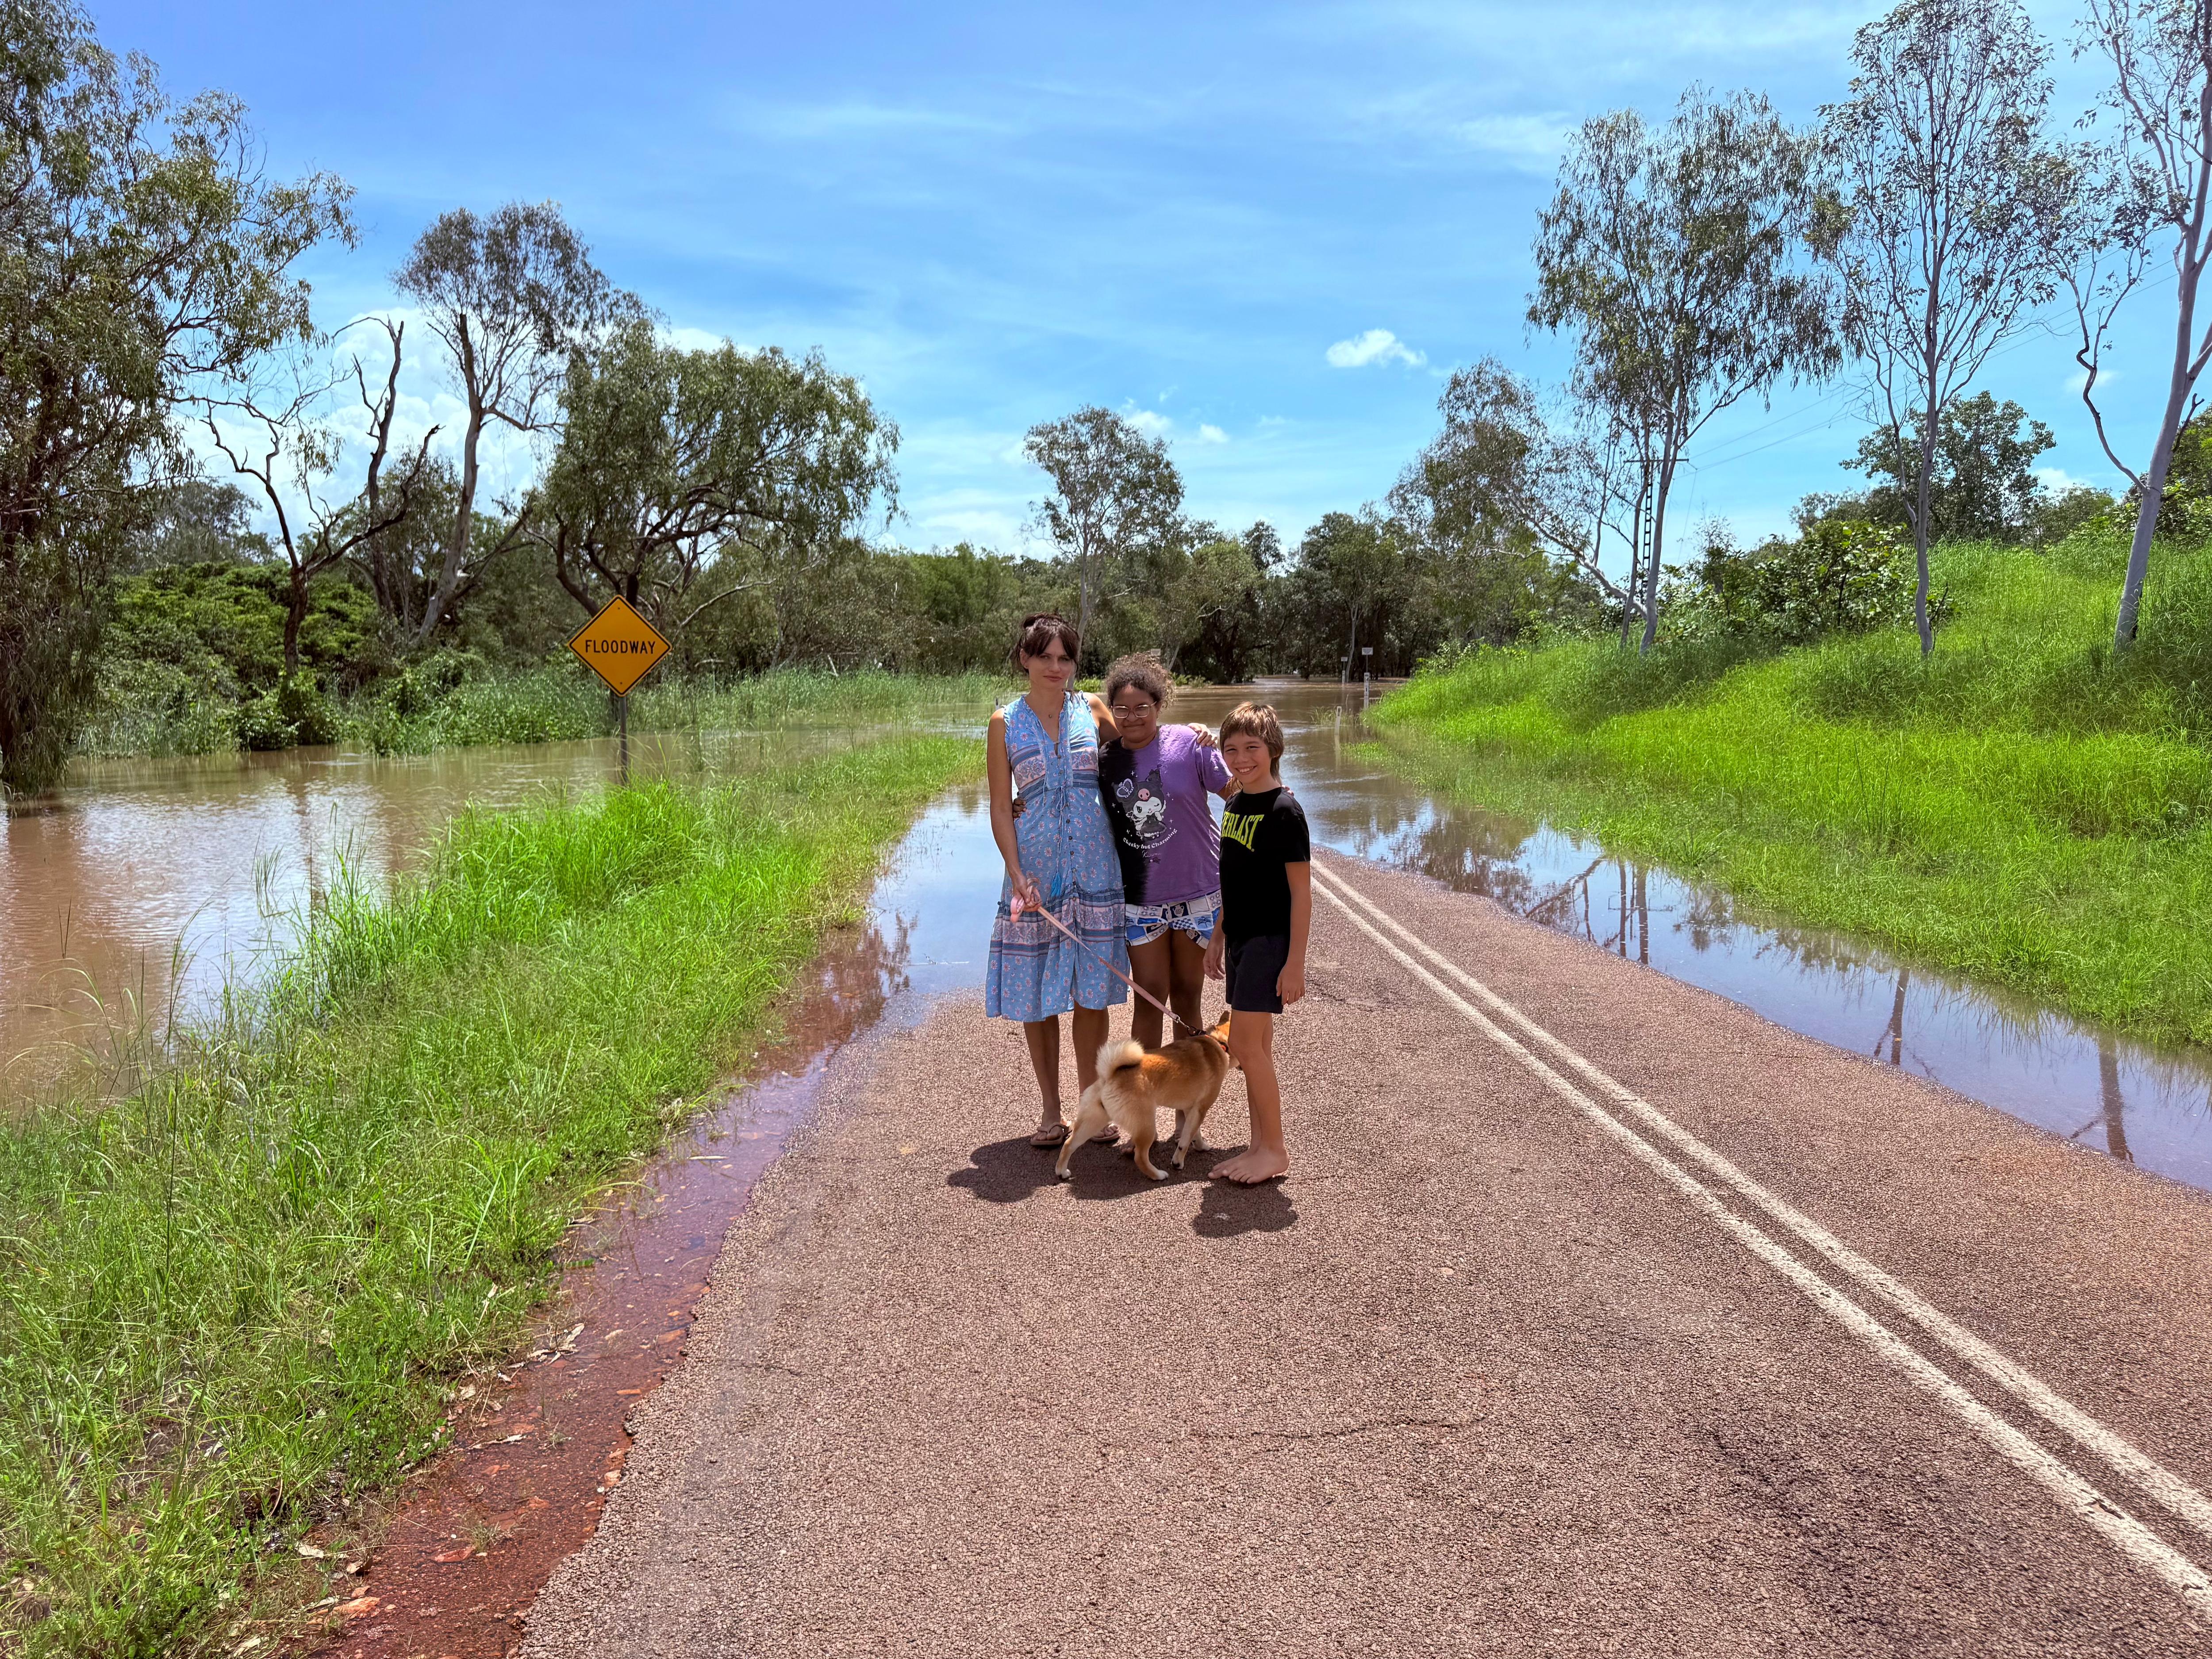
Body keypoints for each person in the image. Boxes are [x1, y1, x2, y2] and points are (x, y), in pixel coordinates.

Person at [985, 614, 1129, 1148]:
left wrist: (1197, 741)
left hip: (1095, 872)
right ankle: (1051, 1112)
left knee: (1093, 996)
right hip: (1035, 880)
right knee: (1038, 998)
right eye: (1043, 656)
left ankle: (1093, 1105)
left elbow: (1139, 753)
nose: (1055, 667)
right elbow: (1002, 807)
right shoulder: (1004, 722)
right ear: (1024, 659)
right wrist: (1017, 873)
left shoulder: (1090, 709)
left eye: (1064, 657)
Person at [1096, 653, 1234, 1052]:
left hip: (1199, 892)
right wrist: (1020, 805)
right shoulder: (1105, 762)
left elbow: (1237, 795)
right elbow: (1074, 804)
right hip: (1141, 902)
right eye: (1121, 709)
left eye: (1143, 707)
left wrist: (1275, 794)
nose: (1132, 717)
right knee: (1150, 999)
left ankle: (1183, 1102)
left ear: (1159, 706)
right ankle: (1143, 1104)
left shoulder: (1191, 743)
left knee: (1188, 995)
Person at [1204, 701, 1310, 1185]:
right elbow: (1234, 881)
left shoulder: (1284, 811)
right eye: (1231, 749)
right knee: (1255, 1049)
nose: (1241, 757)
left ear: (1272, 750)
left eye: (1252, 748)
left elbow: (1300, 894)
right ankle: (1257, 1145)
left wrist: (1295, 964)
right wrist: (1217, 937)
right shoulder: (1234, 804)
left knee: (1246, 1048)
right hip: (1241, 940)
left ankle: (1276, 1150)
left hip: (1270, 942)